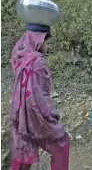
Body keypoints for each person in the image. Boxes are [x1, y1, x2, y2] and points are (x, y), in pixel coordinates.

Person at [10, 24, 70, 170]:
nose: (46, 46)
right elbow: (38, 96)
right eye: (46, 42)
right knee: (62, 145)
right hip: (37, 116)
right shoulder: (37, 61)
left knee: (24, 151)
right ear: (38, 41)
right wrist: (52, 117)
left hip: (20, 115)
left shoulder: (19, 56)